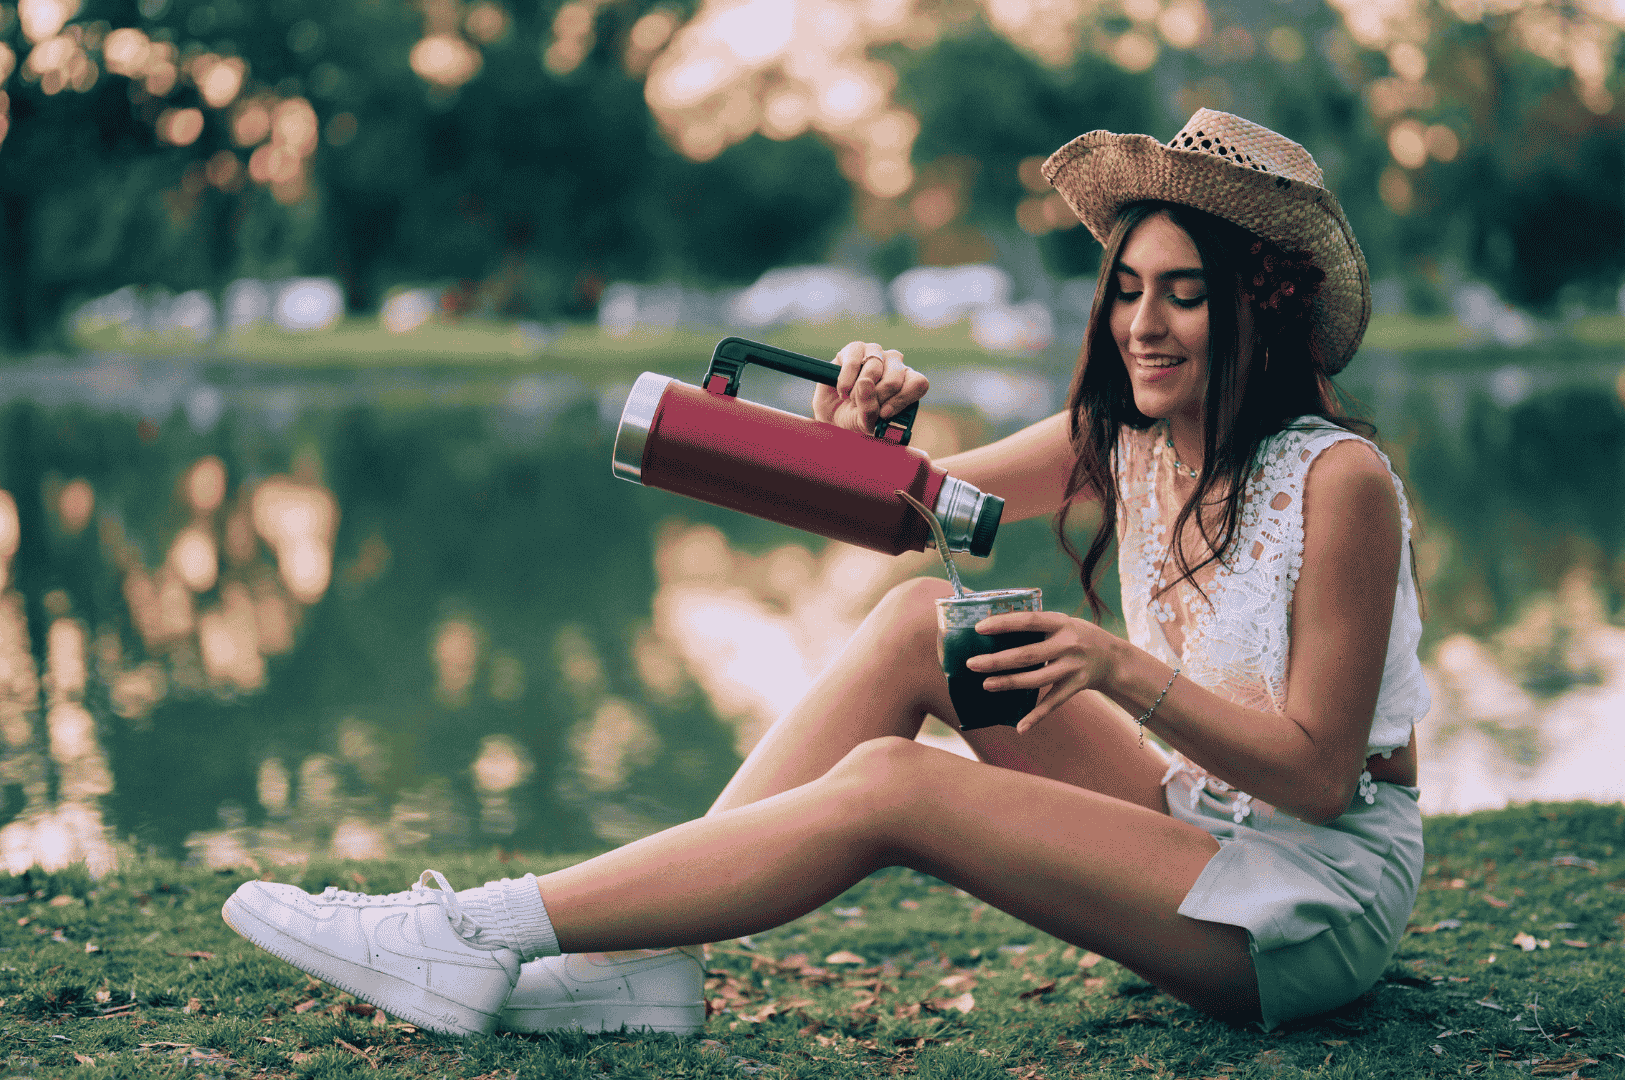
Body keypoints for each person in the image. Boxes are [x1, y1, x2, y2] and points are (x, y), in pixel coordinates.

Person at [221, 109, 1427, 1038]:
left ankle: (473, 929)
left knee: (897, 788)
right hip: (1200, 827)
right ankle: (637, 965)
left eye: (1185, 295)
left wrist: (1113, 666)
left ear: (1258, 308)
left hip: (1309, 904)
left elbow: (1322, 780)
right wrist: (856, 431)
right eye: (1126, 291)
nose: (1142, 327)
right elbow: (918, 511)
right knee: (920, 626)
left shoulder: (1337, 482)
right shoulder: (1124, 443)